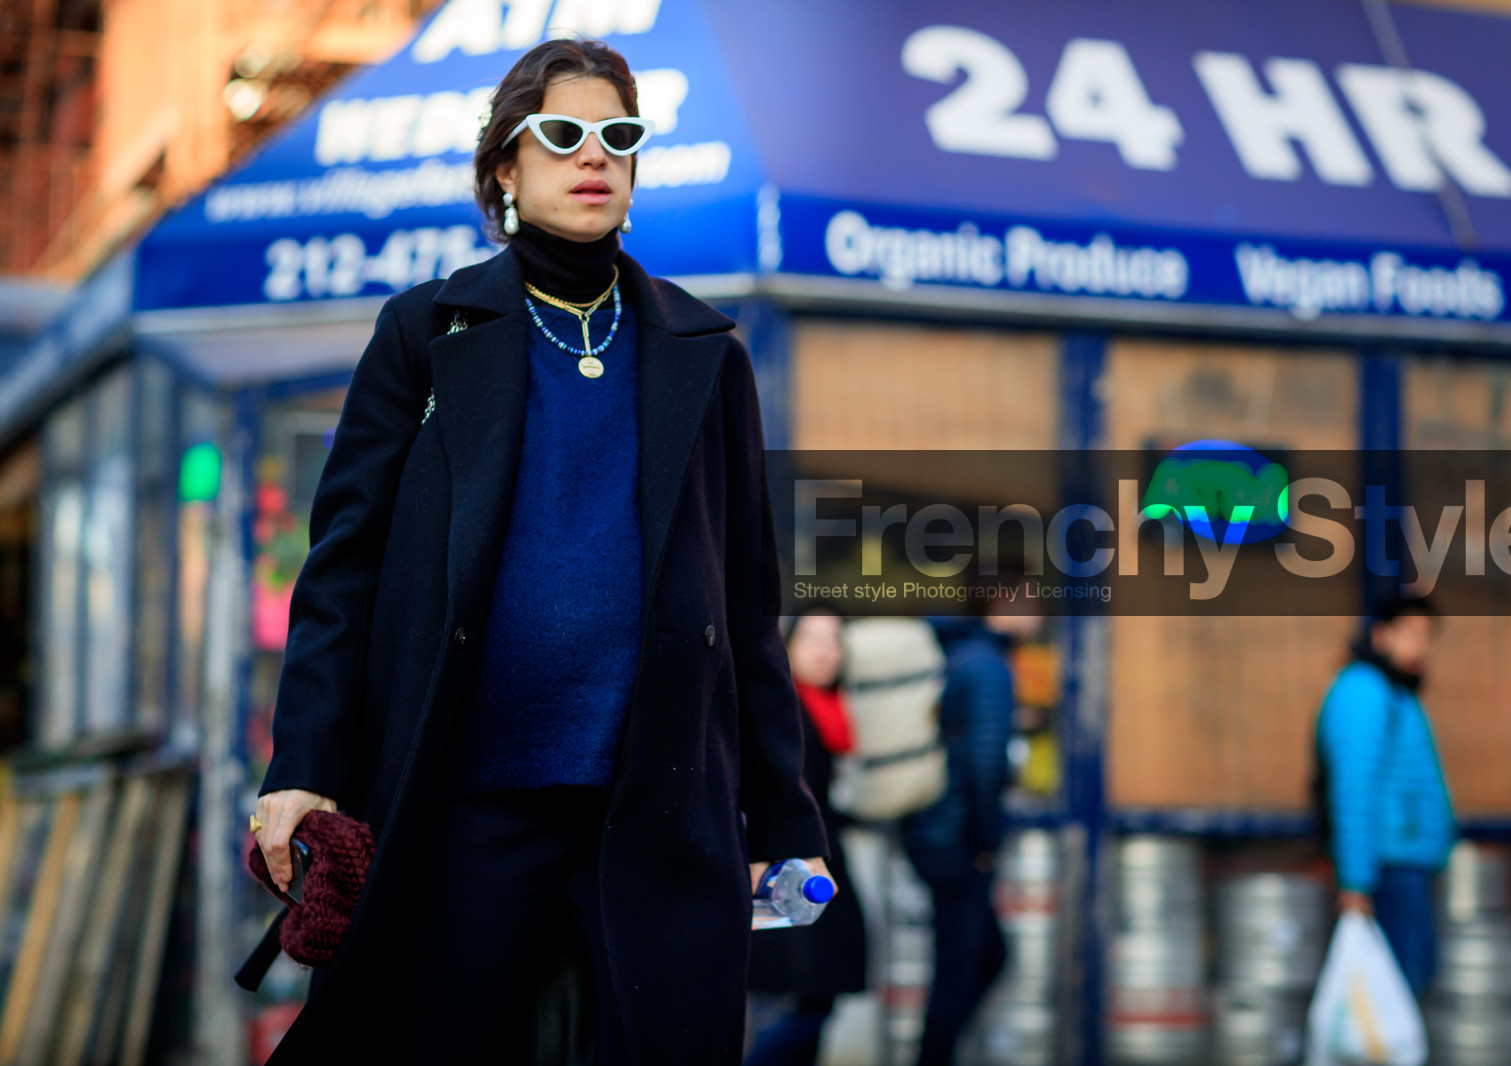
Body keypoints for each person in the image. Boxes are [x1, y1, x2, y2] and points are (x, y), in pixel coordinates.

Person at [242, 37, 829, 1065]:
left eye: (618, 136)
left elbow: (745, 609)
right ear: (505, 169)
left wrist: (781, 818)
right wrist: (305, 767)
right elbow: (343, 570)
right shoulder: (426, 331)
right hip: (467, 802)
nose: (592, 154)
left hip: (658, 805)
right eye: (561, 134)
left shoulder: (704, 356)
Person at [899, 596, 1039, 1066]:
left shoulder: (960, 654)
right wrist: (986, 842)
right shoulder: (988, 666)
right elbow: (985, 762)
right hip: (956, 836)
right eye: (1032, 600)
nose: (1040, 613)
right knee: (963, 964)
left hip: (933, 828)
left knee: (982, 954)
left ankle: (936, 1055)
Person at [745, 605, 868, 1066]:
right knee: (805, 1004)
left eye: (835, 639)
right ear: (787, 645)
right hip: (788, 871)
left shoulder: (832, 711)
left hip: (814, 869)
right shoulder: (785, 709)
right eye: (813, 638)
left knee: (813, 1000)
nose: (826, 651)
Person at [1315, 594, 1456, 995]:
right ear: (1381, 636)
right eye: (1410, 634)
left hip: (1404, 864)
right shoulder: (1365, 692)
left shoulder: (1395, 693)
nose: (1420, 647)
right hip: (1385, 870)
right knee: (1390, 997)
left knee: (1404, 992)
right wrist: (1356, 883)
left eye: (1427, 637)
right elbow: (1355, 789)